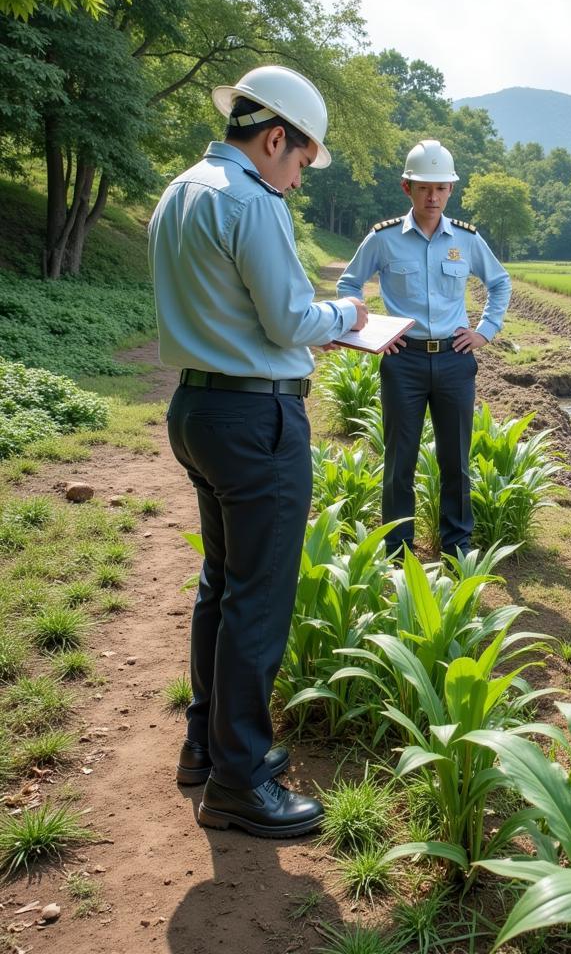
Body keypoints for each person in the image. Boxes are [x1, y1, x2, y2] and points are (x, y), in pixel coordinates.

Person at [149, 65, 369, 837]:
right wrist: (347, 310)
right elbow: (285, 319)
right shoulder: (251, 198)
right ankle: (240, 780)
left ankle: (206, 750)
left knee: (222, 584)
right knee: (258, 598)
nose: (301, 178)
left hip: (198, 407)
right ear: (276, 137)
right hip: (255, 421)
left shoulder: (182, 190)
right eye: (303, 161)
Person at [337, 140, 512, 557]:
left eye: (441, 188)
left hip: (455, 358)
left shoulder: (467, 240)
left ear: (451, 189)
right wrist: (374, 331)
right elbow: (348, 285)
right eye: (423, 188)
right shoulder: (383, 239)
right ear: (406, 188)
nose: (432, 197)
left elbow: (500, 283)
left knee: (456, 460)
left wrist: (485, 331)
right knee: (400, 460)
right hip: (404, 361)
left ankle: (457, 547)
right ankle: (397, 550)